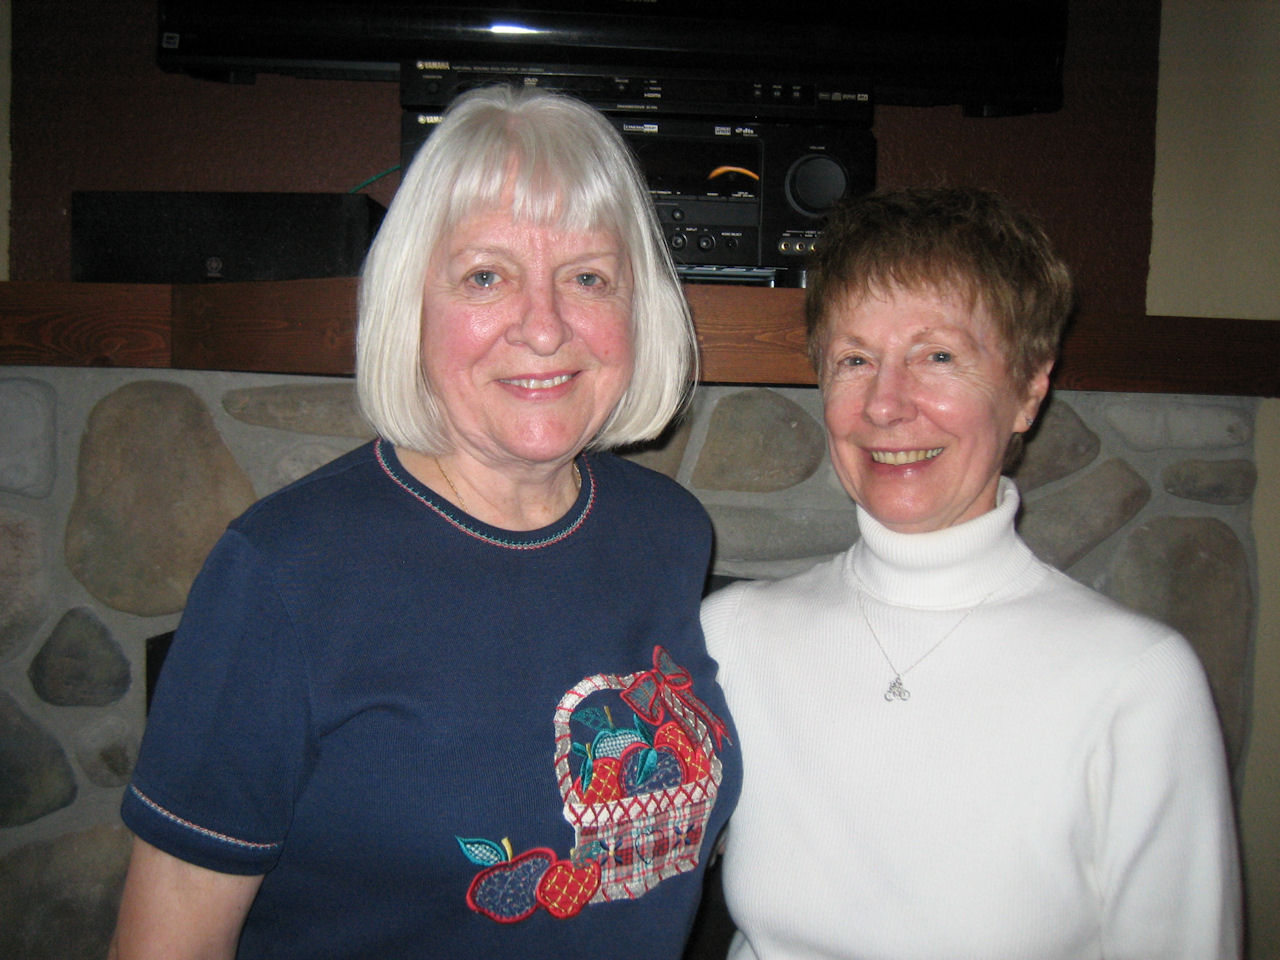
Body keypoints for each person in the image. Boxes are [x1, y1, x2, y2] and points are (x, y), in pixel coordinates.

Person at [109, 85, 739, 960]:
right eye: (486, 276)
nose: (545, 328)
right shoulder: (283, 570)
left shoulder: (668, 532)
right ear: (412, 305)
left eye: (588, 277)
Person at [702, 187, 1240, 959]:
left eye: (939, 357)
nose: (886, 405)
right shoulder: (732, 637)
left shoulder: (1136, 682)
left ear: (1028, 391)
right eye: (855, 360)